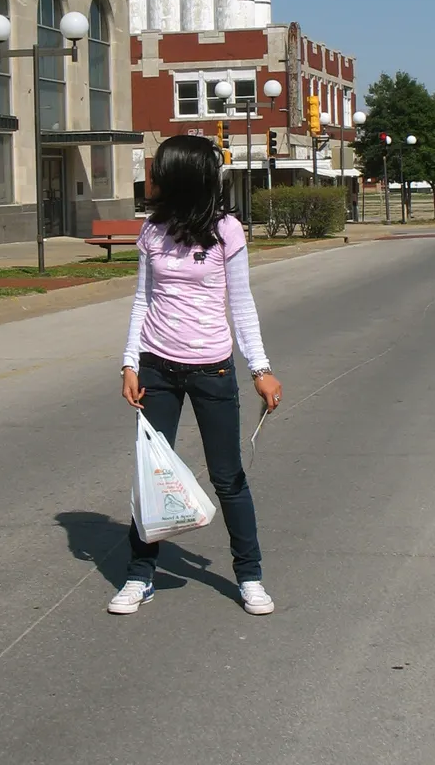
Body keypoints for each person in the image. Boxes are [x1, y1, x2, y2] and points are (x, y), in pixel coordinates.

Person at [108, 134, 282, 617]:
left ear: (183, 177)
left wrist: (260, 369)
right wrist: (129, 361)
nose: (152, 177)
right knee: (152, 476)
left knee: (228, 478)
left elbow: (241, 304)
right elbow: (142, 300)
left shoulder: (227, 230)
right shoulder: (152, 232)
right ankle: (139, 574)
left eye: (160, 169)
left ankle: (249, 575)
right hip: (157, 368)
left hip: (212, 367)